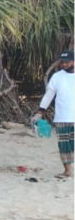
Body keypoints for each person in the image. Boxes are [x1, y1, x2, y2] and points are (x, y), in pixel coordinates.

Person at [33, 50, 74, 178]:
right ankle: (67, 171)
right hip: (62, 116)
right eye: (62, 62)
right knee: (64, 145)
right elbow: (49, 95)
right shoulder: (57, 77)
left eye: (67, 62)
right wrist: (40, 111)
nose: (64, 64)